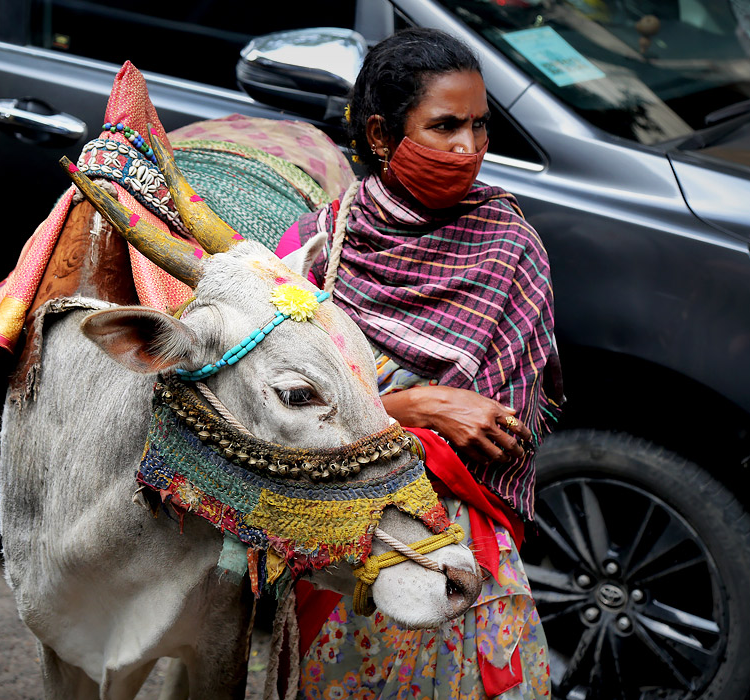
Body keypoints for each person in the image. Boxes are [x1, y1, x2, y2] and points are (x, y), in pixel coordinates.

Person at [274, 27, 563, 699]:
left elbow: (505, 429)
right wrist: (414, 407)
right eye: (445, 126)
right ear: (381, 134)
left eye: (479, 125)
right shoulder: (318, 249)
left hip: (461, 552)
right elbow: (273, 421)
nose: (470, 148)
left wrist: (379, 419)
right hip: (339, 551)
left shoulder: (510, 245)